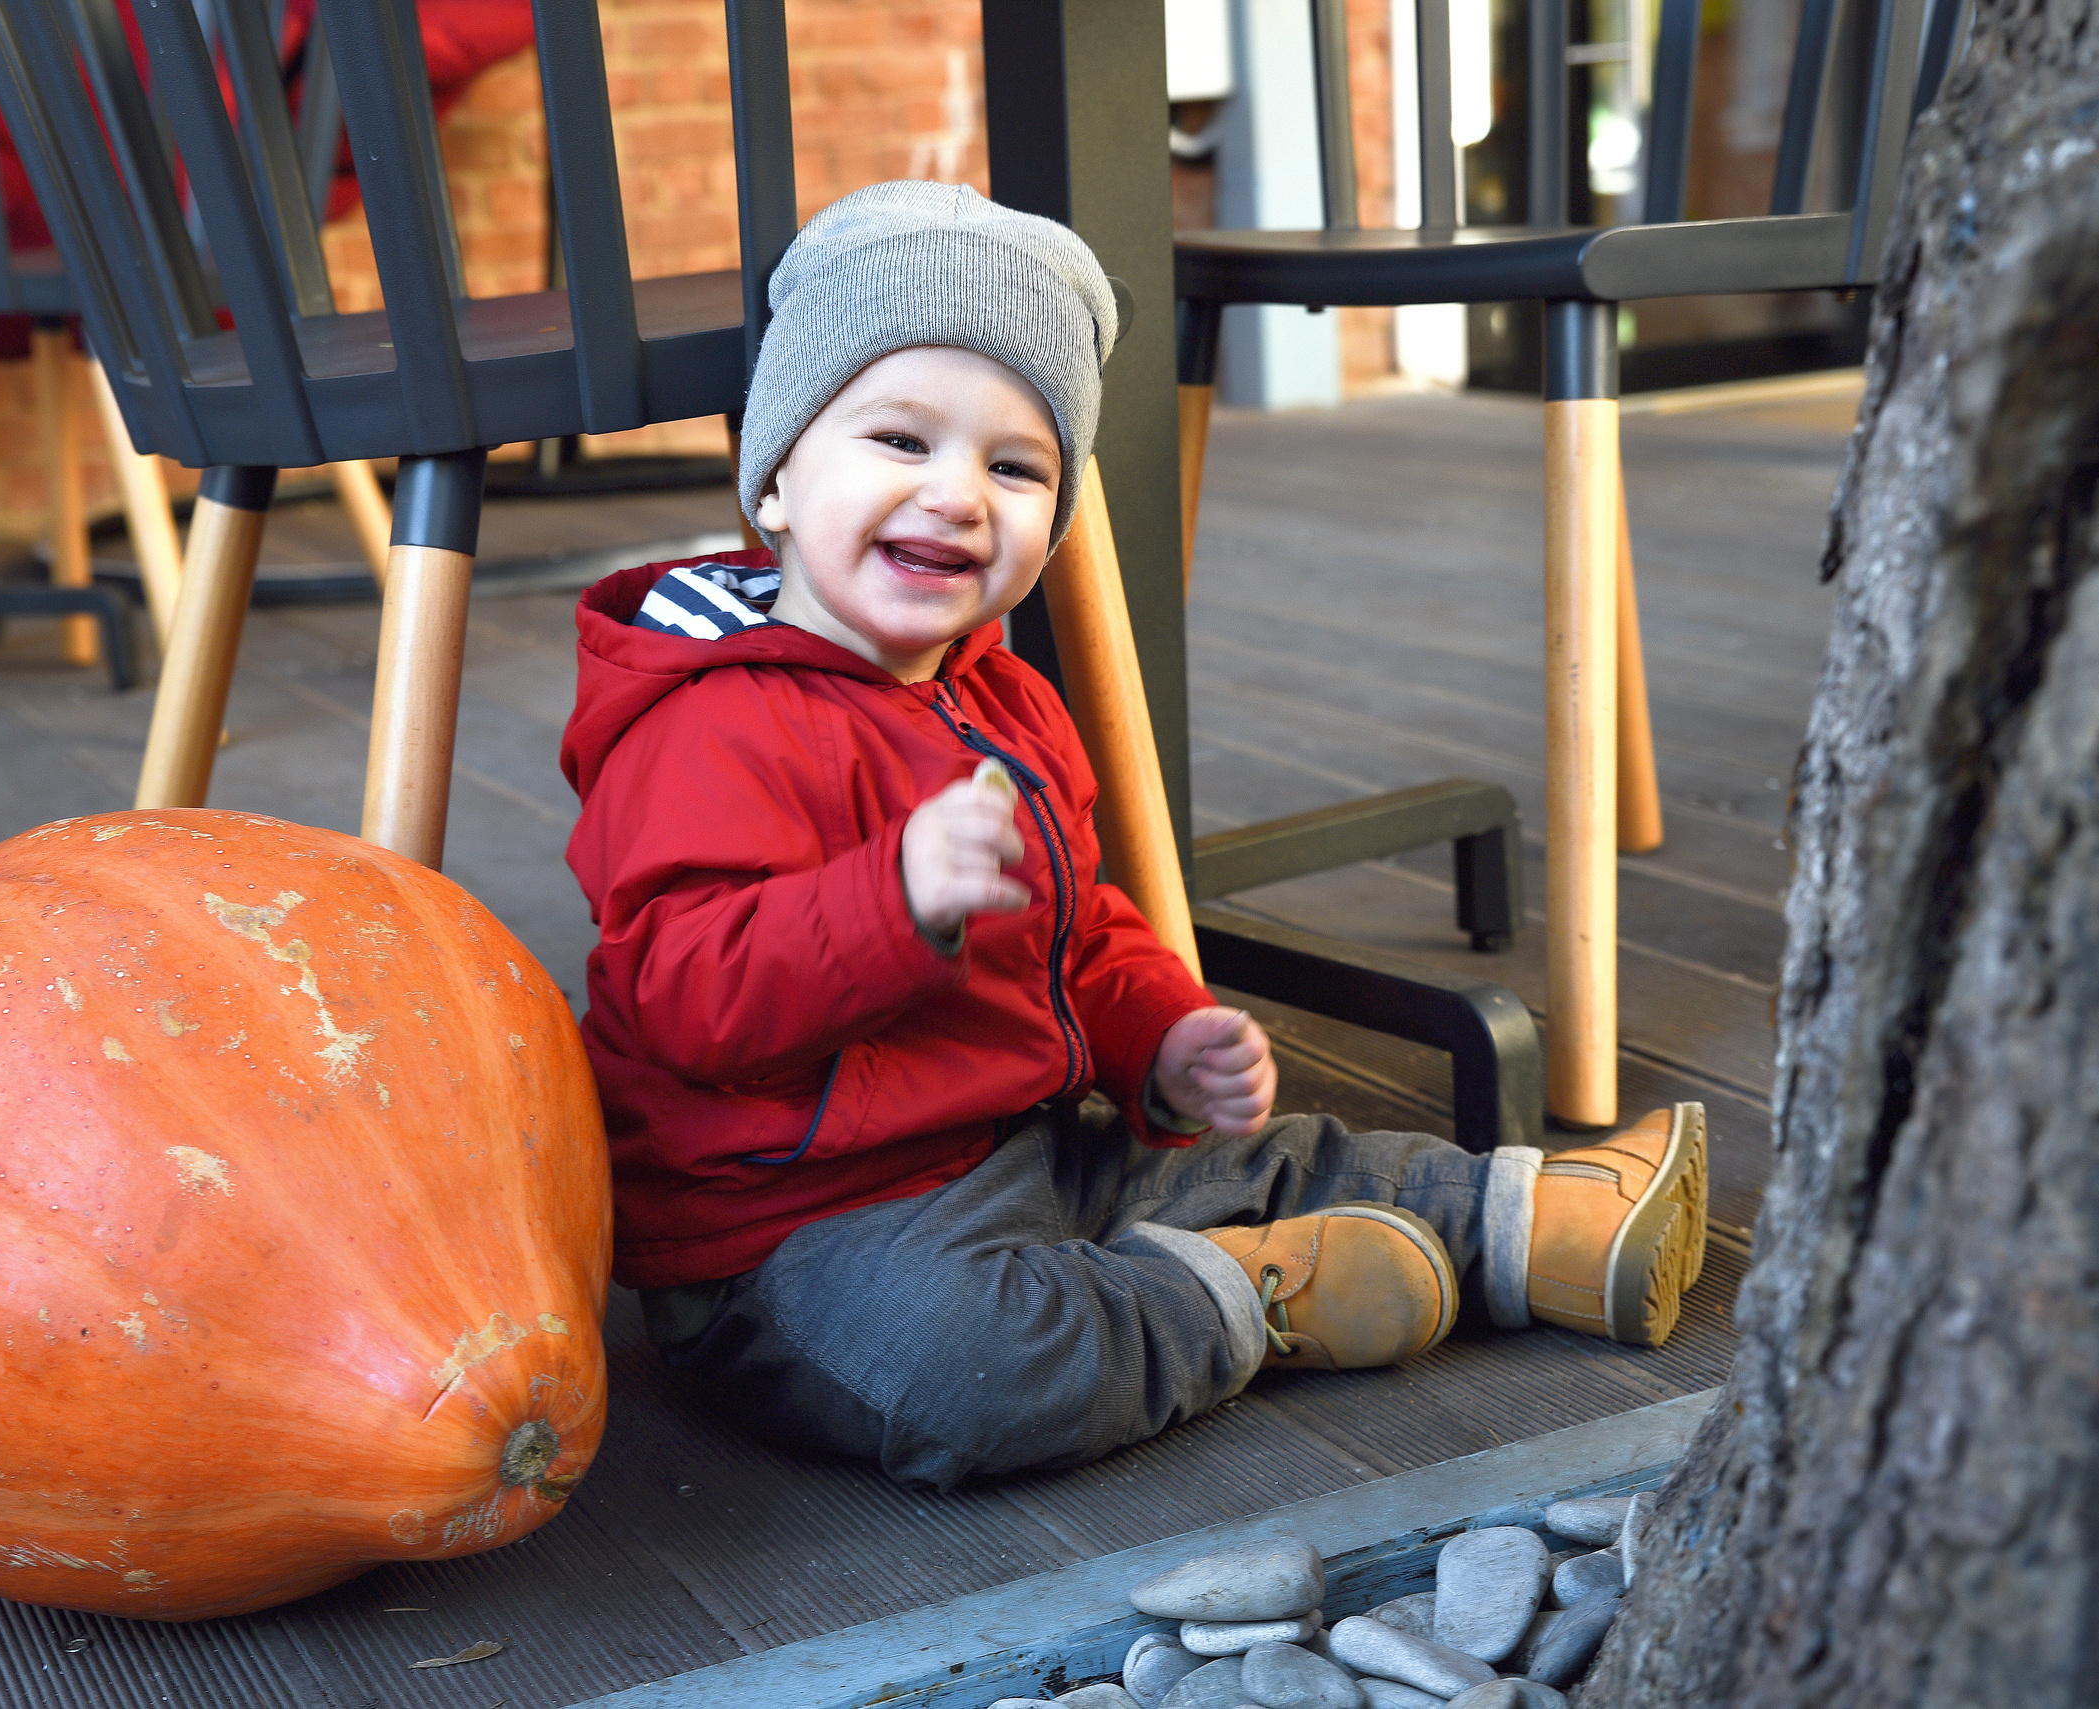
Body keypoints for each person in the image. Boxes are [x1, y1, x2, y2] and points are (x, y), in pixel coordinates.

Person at [559, 181, 1707, 1490]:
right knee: (970, 1367)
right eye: (898, 438)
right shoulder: (708, 719)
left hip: (1022, 1142)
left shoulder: (1002, 697)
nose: (956, 496)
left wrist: (1159, 1033)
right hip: (799, 1237)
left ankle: (1534, 1220)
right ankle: (1238, 1297)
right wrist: (893, 900)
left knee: (1252, 1153)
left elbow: (1078, 922)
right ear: (775, 476)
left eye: (1014, 464)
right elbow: (682, 992)